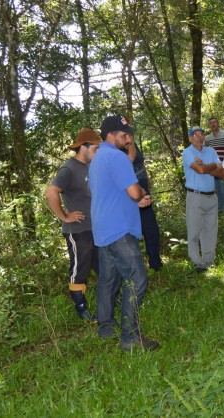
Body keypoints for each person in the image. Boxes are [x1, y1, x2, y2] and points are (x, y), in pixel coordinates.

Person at [89, 114, 159, 351]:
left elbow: (112, 193)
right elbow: (133, 192)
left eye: (129, 134)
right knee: (137, 279)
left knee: (108, 281)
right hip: (119, 230)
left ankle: (106, 328)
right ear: (110, 135)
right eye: (123, 135)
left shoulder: (97, 158)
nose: (128, 139)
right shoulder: (117, 158)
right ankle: (130, 338)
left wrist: (134, 200)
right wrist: (139, 195)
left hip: (102, 229)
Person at [45, 128, 102, 322]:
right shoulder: (69, 169)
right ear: (83, 147)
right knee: (80, 269)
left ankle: (108, 303)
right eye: (95, 147)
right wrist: (64, 216)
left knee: (102, 267)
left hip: (95, 228)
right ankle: (82, 310)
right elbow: (51, 192)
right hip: (78, 230)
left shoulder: (91, 166)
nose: (98, 151)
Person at [182, 125, 221, 272]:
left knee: (210, 230)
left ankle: (209, 261)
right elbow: (199, 170)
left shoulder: (210, 151)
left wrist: (205, 165)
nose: (199, 137)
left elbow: (220, 171)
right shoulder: (187, 152)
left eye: (202, 134)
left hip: (212, 196)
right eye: (196, 134)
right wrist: (211, 166)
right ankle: (197, 262)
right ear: (191, 138)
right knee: (194, 230)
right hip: (195, 196)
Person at [128, 140, 163, 271]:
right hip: (131, 200)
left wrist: (148, 188)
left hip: (145, 198)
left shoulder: (134, 144)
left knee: (152, 231)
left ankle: (155, 263)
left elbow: (141, 167)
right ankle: (135, 269)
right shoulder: (118, 149)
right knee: (132, 236)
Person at [204, 117, 224, 213]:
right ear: (209, 126)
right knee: (215, 189)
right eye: (211, 123)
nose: (213, 124)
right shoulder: (208, 138)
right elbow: (204, 151)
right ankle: (218, 210)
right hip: (213, 167)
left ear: (218, 124)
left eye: (214, 122)